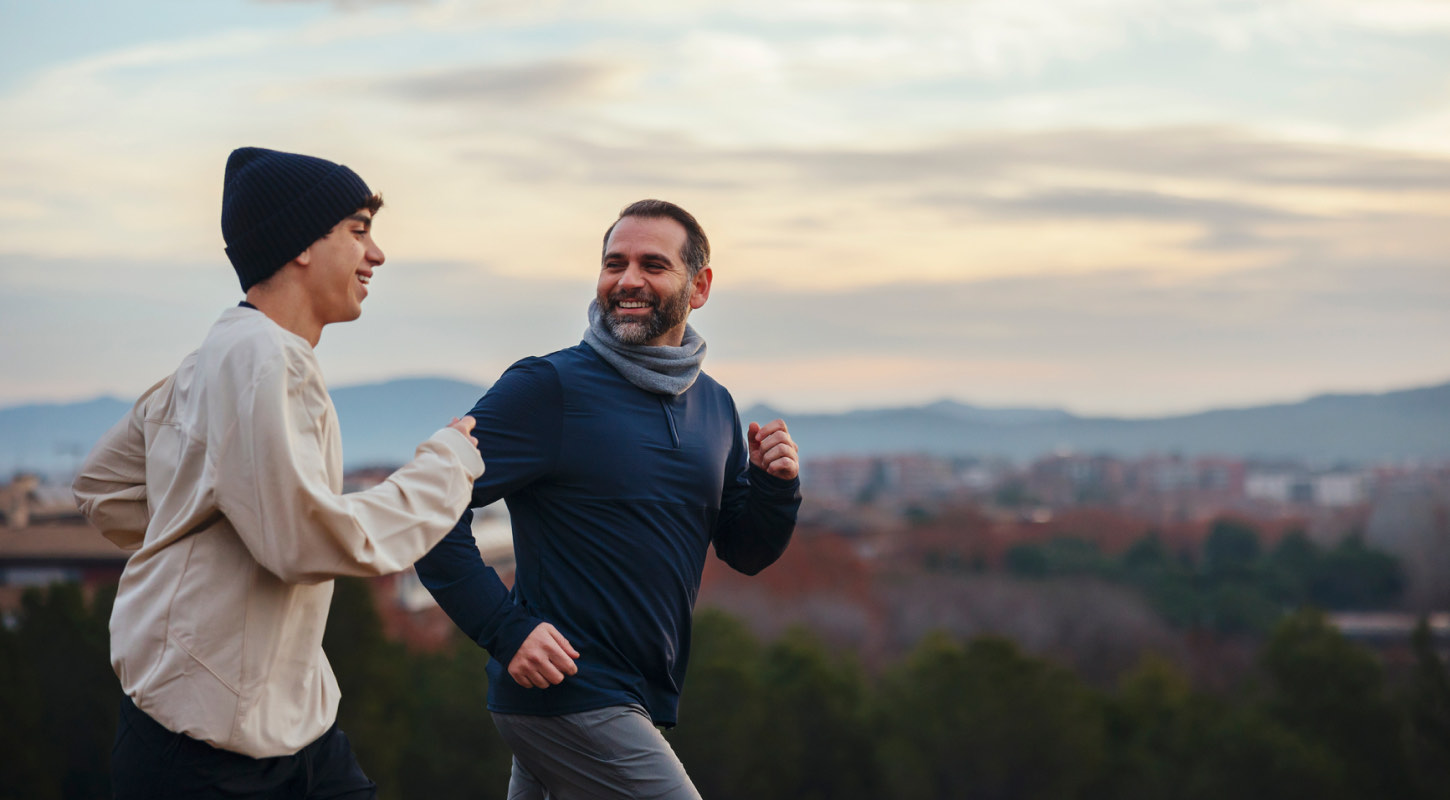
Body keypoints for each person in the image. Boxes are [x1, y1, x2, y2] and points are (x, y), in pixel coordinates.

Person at [72, 146, 485, 800]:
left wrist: (217, 531)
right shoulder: (267, 360)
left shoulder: (216, 353)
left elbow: (102, 485)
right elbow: (303, 539)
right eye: (358, 231)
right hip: (209, 755)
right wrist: (449, 466)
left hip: (286, 731)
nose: (375, 254)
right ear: (300, 246)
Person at [415, 199, 802, 799]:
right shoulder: (550, 388)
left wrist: (777, 489)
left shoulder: (715, 406)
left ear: (698, 287)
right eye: (614, 263)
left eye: (653, 264)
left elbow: (745, 548)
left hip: (635, 695)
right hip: (571, 693)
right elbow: (428, 507)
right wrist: (505, 628)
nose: (627, 281)